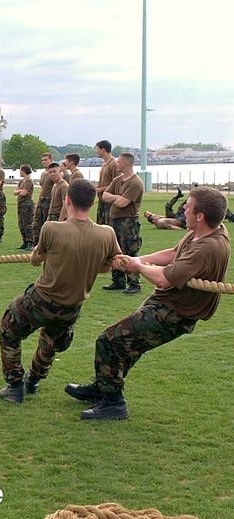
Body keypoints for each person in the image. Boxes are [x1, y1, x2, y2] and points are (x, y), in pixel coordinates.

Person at [67, 186, 230, 420]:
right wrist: (137, 259)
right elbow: (174, 254)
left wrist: (138, 267)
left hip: (175, 312)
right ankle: (103, 388)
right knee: (128, 345)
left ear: (201, 216)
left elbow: (164, 278)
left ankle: (113, 403)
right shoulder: (203, 231)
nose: (183, 207)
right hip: (166, 303)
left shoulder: (208, 246)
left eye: (189, 206)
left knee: (109, 341)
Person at [0, 179, 121, 403]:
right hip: (71, 307)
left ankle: (15, 386)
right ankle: (33, 380)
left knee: (8, 329)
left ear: (68, 200)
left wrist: (42, 252)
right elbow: (109, 265)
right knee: (50, 344)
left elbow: (35, 261)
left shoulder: (51, 228)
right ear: (92, 203)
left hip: (41, 300)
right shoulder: (107, 234)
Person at [102, 152, 144, 295]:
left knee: (129, 252)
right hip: (115, 221)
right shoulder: (118, 180)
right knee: (115, 251)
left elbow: (122, 203)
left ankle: (134, 283)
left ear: (126, 163)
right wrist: (117, 197)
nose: (117, 163)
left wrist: (116, 198)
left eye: (119, 161)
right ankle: (118, 280)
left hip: (128, 222)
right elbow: (104, 196)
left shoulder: (135, 183)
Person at [94, 139, 120, 225]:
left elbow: (117, 183)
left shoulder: (114, 164)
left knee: (109, 227)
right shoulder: (104, 164)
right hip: (102, 201)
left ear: (103, 150)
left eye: (97, 149)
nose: (96, 151)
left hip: (109, 202)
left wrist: (101, 189)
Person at [32, 153, 55, 246]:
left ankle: (47, 244)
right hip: (42, 200)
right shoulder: (43, 174)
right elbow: (42, 188)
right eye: (42, 160)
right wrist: (38, 202)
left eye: (46, 160)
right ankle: (37, 244)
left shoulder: (53, 174)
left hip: (49, 200)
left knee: (47, 224)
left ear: (51, 160)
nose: (44, 162)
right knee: (37, 223)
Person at [14, 164, 35, 250]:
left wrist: (19, 191)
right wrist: (20, 191)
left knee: (27, 224)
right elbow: (15, 192)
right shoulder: (21, 181)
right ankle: (25, 241)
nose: (19, 172)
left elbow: (24, 193)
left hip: (27, 204)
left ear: (23, 171)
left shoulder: (29, 180)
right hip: (21, 204)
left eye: (20, 170)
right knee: (21, 223)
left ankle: (31, 242)